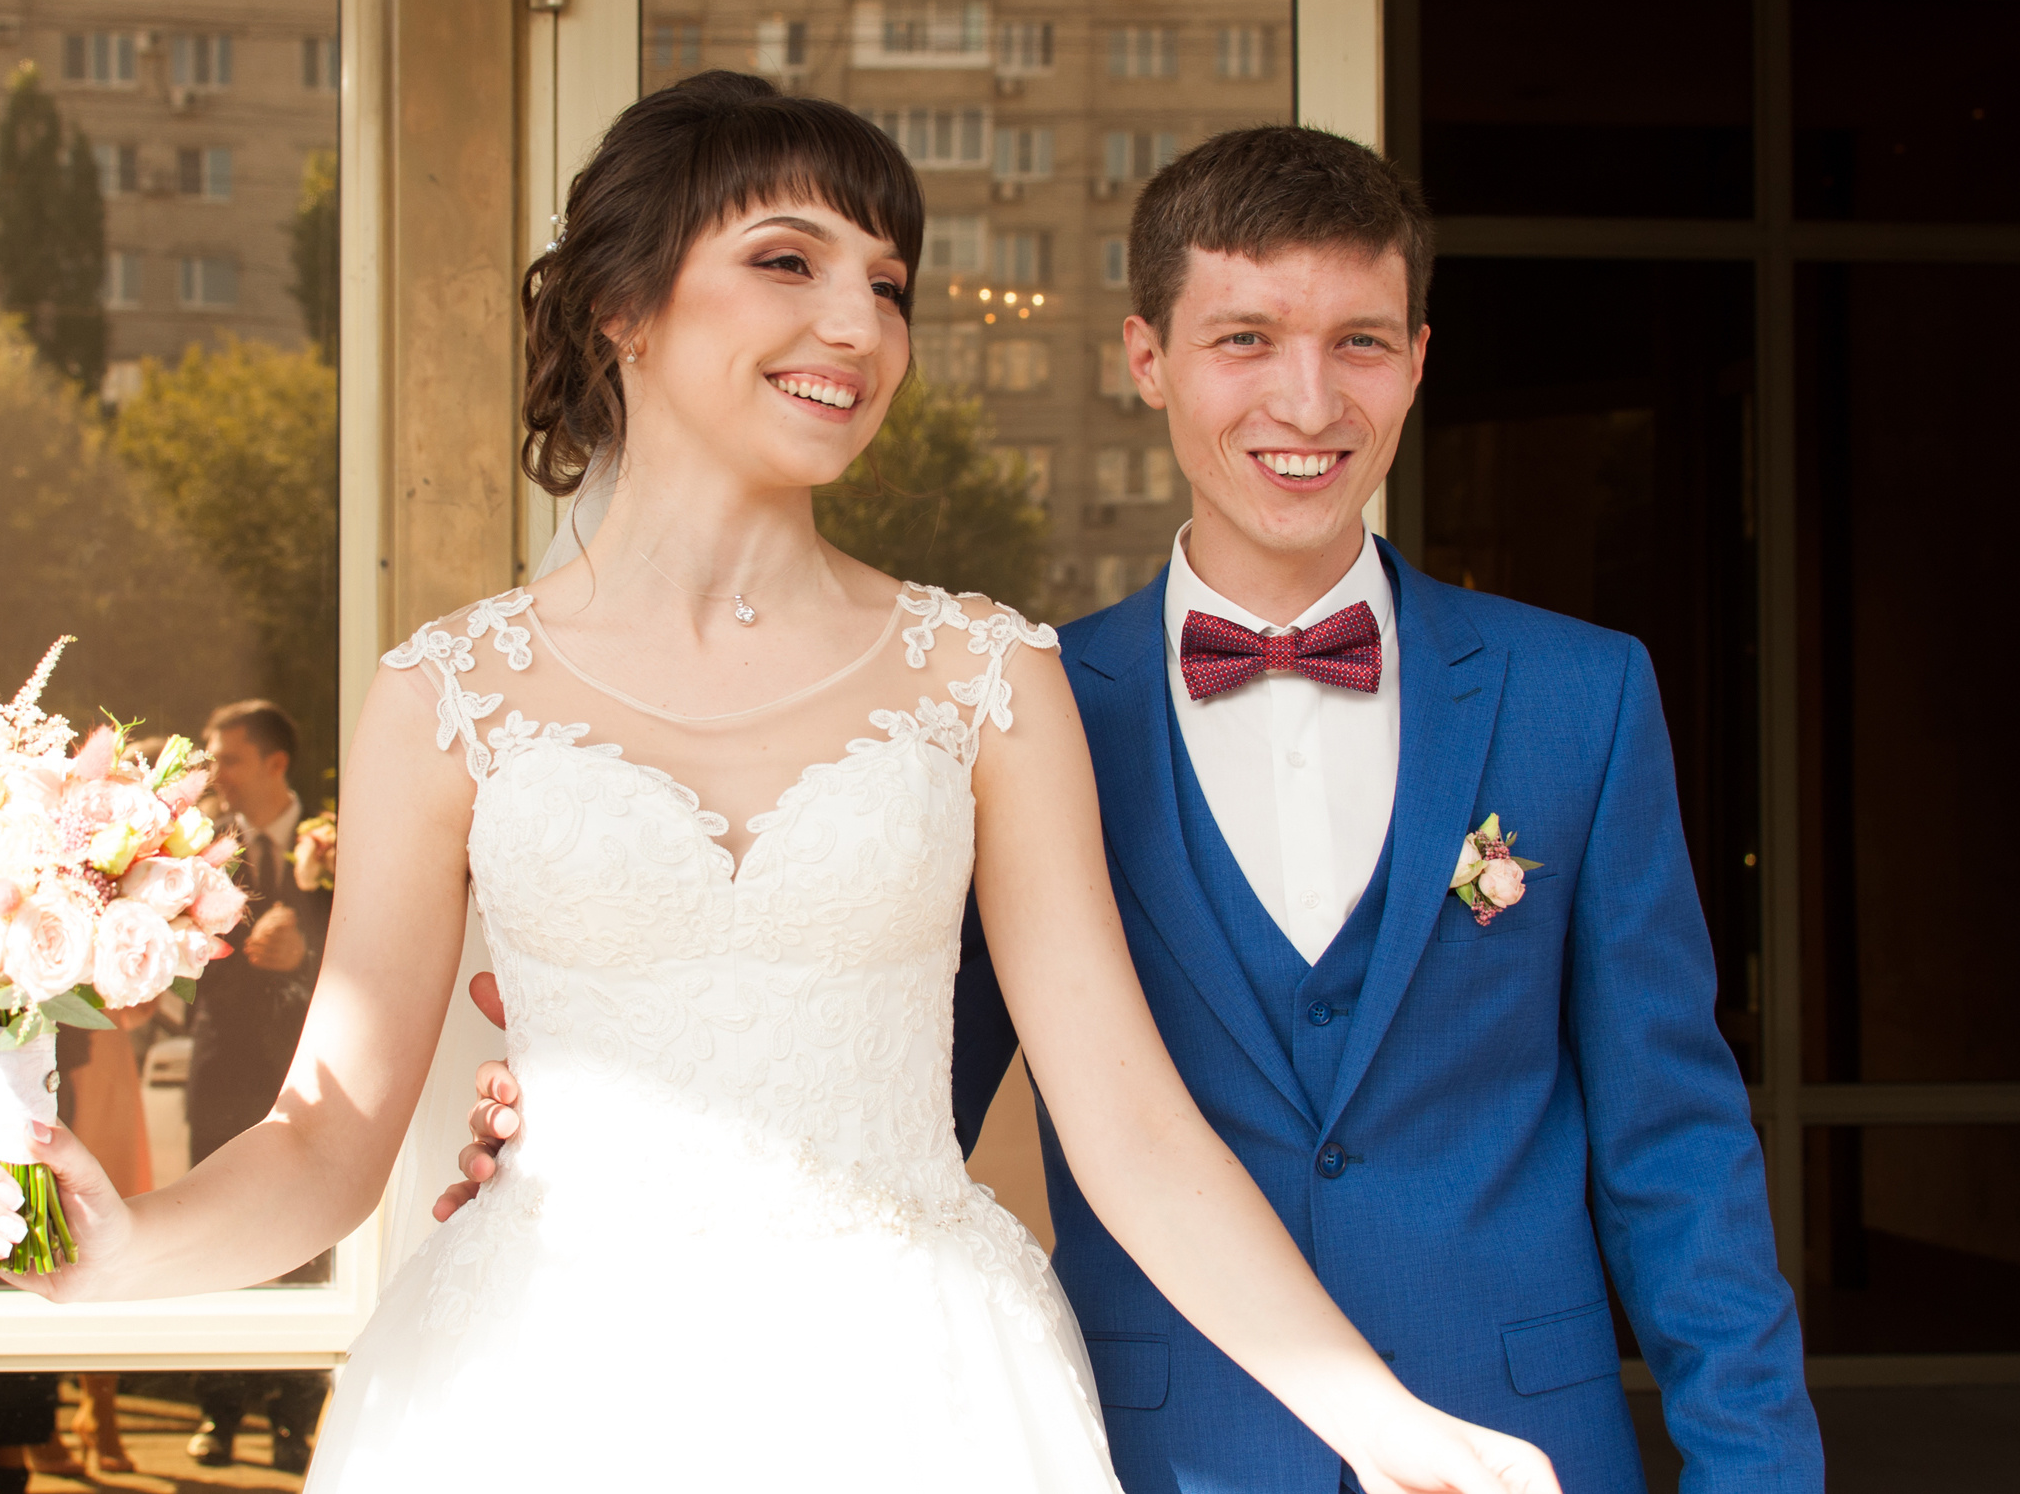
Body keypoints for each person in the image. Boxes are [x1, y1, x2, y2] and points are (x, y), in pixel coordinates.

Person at [0, 73, 1558, 1494]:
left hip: (922, 1390)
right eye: (786, 261)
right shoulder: (447, 692)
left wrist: (1375, 1411)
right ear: (619, 309)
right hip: (539, 1390)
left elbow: (1130, 1125)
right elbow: (326, 1138)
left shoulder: (987, 674)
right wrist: (122, 1248)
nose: (855, 324)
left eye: (888, 281)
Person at [442, 124, 1827, 1492]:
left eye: (1359, 340)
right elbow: (876, 1085)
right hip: (1163, 1446)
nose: (1308, 400)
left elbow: (1675, 1139)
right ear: (1146, 359)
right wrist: (612, 1093)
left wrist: (1755, 1469)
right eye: (1244, 340)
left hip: (1521, 1435)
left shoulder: (1579, 694)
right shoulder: (1017, 708)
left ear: (1417, 362)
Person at [182, 701, 330, 1472]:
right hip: (222, 1069)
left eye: (228, 759)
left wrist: (306, 955)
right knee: (218, 1228)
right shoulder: (200, 848)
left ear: (275, 763)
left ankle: (294, 1419)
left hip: (311, 1069)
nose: (215, 776)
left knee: (303, 1236)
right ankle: (219, 1410)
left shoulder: (338, 842)